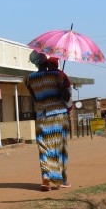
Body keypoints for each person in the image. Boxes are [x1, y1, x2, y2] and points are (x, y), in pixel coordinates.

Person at [25, 51, 72, 191]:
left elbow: (35, 98)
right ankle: (62, 180)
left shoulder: (29, 79)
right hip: (58, 115)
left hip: (41, 116)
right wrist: (59, 84)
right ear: (46, 60)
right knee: (60, 148)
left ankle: (46, 177)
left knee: (44, 148)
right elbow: (66, 96)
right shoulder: (58, 75)